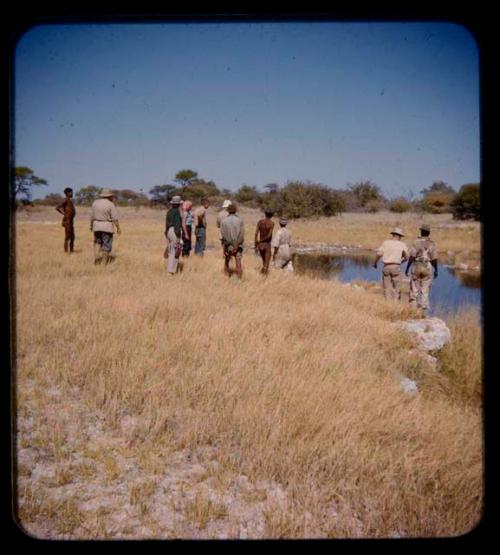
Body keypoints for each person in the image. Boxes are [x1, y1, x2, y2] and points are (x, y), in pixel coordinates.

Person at [405, 223, 439, 315]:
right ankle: (422, 313)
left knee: (414, 289)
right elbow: (434, 259)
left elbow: (411, 256)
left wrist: (407, 268)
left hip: (416, 266)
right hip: (427, 267)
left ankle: (412, 312)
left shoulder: (416, 242)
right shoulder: (432, 243)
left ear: (421, 231)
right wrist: (436, 270)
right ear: (429, 233)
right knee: (424, 290)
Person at [373, 228, 408, 301]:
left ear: (393, 235)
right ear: (399, 236)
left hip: (386, 267)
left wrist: (375, 263)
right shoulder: (402, 245)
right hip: (396, 267)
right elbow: (407, 257)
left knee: (387, 288)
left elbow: (379, 254)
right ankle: (395, 305)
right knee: (396, 288)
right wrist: (401, 261)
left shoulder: (386, 243)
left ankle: (388, 304)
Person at [90, 188, 121, 264]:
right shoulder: (110, 204)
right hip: (107, 227)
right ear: (109, 196)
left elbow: (92, 217)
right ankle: (104, 263)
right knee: (106, 244)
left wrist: (91, 226)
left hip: (96, 226)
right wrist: (118, 228)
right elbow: (115, 219)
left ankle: (97, 259)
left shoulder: (95, 203)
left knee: (97, 242)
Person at [220, 203, 245, 278]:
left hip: (228, 244)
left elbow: (223, 234)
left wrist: (227, 244)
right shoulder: (240, 220)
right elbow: (241, 234)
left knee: (227, 260)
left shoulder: (224, 221)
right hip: (238, 244)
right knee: (238, 261)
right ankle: (239, 279)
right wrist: (237, 244)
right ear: (236, 211)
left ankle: (226, 276)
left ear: (228, 211)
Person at [165, 195, 184, 275]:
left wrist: (166, 233)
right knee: (176, 251)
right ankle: (171, 271)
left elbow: (166, 224)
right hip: (174, 231)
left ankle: (169, 269)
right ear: (178, 204)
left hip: (169, 231)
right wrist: (179, 236)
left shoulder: (169, 211)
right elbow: (177, 224)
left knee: (170, 251)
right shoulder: (177, 212)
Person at [56, 187, 76, 253]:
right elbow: (57, 207)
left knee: (72, 237)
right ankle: (66, 252)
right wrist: (64, 213)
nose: (72, 193)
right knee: (68, 237)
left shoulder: (70, 200)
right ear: (67, 193)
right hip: (67, 221)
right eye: (71, 192)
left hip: (71, 221)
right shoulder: (65, 200)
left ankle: (72, 251)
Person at [254, 210, 275, 275]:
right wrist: (262, 240)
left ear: (265, 214)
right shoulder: (271, 223)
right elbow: (269, 235)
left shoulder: (260, 222)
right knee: (266, 263)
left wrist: (256, 244)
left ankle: (262, 276)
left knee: (264, 262)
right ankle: (264, 279)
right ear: (272, 215)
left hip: (260, 245)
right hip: (267, 244)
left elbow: (256, 233)